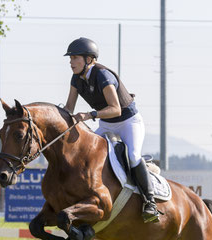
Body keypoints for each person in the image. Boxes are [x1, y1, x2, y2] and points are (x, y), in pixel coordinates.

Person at [63, 37, 160, 223]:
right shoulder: (76, 79)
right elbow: (69, 108)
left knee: (132, 155)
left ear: (89, 59)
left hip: (128, 121)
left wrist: (90, 115)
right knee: (85, 155)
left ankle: (150, 203)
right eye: (70, 58)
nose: (71, 62)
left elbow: (116, 109)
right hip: (107, 124)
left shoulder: (103, 76)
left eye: (75, 58)